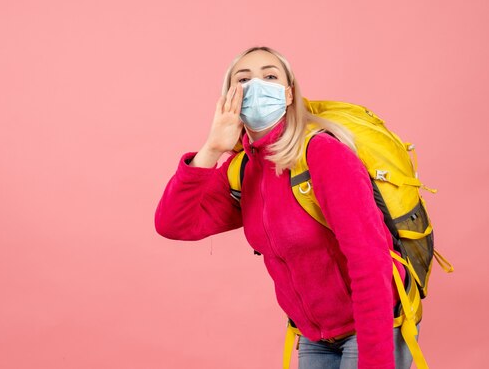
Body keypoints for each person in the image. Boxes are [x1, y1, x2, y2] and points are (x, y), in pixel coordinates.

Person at [154, 46, 419, 369]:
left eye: (270, 76)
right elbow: (173, 223)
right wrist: (211, 148)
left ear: (290, 94)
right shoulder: (243, 170)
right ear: (228, 99)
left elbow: (370, 261)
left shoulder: (322, 154)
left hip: (373, 330)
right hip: (313, 337)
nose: (258, 85)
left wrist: (375, 361)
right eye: (244, 79)